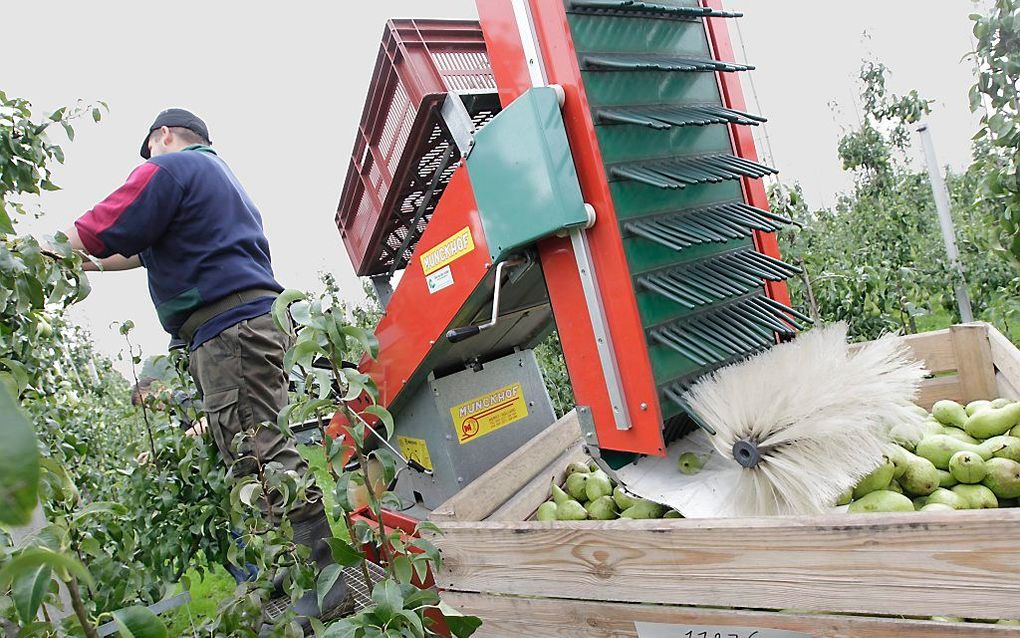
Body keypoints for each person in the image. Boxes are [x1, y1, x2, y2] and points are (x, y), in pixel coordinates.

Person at [61, 108, 353, 628]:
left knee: (260, 456)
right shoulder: (217, 181)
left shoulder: (171, 168)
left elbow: (105, 222)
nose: (146, 161)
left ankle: (325, 587)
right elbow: (133, 251)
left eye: (147, 151)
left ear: (164, 136)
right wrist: (88, 262)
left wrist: (52, 247)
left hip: (228, 331)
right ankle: (294, 578)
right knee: (256, 451)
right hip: (246, 323)